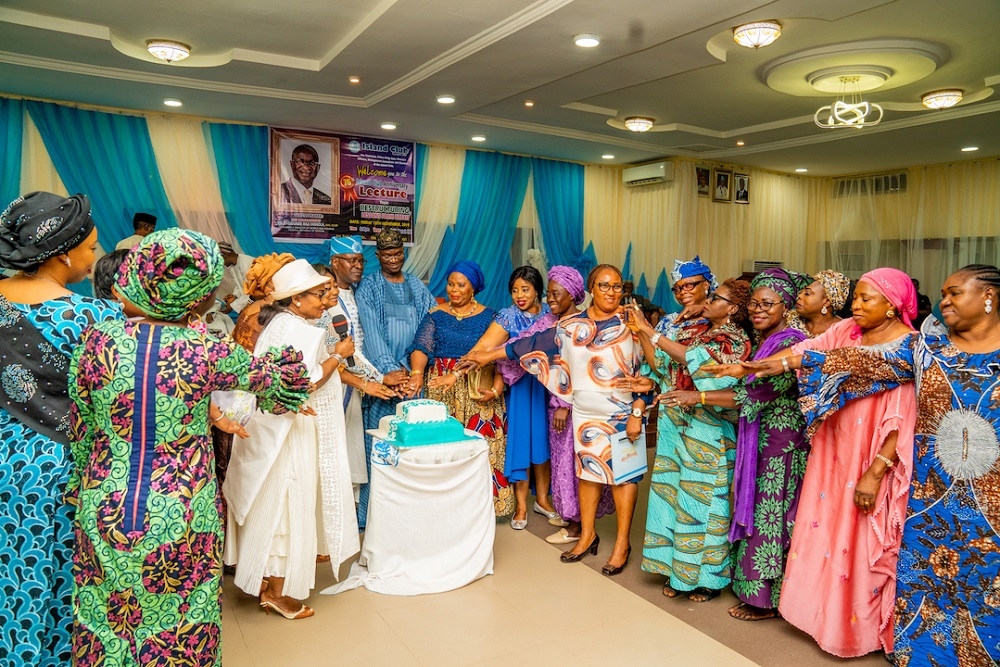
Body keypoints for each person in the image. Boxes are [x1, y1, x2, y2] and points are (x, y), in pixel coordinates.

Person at [68, 229, 311, 664]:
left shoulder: (98, 341)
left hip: (103, 502)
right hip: (182, 511)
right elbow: (281, 382)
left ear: (141, 275)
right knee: (181, 625)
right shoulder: (207, 349)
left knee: (107, 623)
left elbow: (82, 428)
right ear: (199, 293)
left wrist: (78, 489)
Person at [780, 264, 1000, 667]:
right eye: (943, 293)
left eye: (955, 293)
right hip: (933, 495)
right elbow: (861, 360)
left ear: (989, 297)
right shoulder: (927, 349)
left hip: (992, 503)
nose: (943, 302)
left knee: (989, 588)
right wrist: (776, 364)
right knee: (929, 582)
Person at [713, 267, 918, 658]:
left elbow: (902, 420)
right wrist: (752, 367)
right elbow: (803, 354)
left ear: (893, 306)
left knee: (859, 538)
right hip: (832, 450)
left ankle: (856, 627)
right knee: (825, 532)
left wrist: (875, 472)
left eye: (865, 299)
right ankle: (819, 614)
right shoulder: (845, 334)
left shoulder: (908, 348)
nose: (854, 306)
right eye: (854, 297)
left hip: (870, 453)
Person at [0, 192, 119, 665]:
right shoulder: (94, 318)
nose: (94, 257)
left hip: (6, 456)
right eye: (91, 249)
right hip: (63, 467)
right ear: (63, 252)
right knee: (62, 577)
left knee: (13, 573)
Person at [225, 259, 358, 620]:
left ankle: (267, 584)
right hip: (292, 430)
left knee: (273, 501)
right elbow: (307, 384)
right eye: (319, 293)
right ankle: (278, 593)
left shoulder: (279, 324)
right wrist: (337, 356)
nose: (325, 299)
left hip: (270, 427)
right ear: (296, 299)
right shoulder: (301, 330)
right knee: (289, 502)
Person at [507, 265, 651, 575]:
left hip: (623, 414)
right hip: (585, 414)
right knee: (587, 474)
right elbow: (532, 345)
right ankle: (587, 535)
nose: (611, 292)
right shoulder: (572, 325)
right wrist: (487, 355)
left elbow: (653, 368)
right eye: (604, 285)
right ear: (591, 289)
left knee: (623, 478)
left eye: (616, 287)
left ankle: (622, 544)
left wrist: (640, 409)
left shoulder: (632, 324)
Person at [462, 266, 617, 545]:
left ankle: (578, 526)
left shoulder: (578, 324)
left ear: (573, 294)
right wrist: (486, 365)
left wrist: (562, 404)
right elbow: (523, 346)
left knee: (576, 465)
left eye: (556, 294)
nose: (551, 299)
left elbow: (574, 368)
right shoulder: (549, 321)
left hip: (573, 407)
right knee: (562, 464)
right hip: (553, 403)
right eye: (549, 294)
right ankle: (574, 520)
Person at [635, 278, 751, 602]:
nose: (706, 301)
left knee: (706, 503)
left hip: (708, 425)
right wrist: (646, 337)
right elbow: (664, 366)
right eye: (677, 288)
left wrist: (650, 330)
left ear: (733, 308)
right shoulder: (682, 325)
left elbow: (698, 363)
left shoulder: (734, 339)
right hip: (677, 422)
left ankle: (707, 580)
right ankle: (678, 571)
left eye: (715, 296)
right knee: (673, 498)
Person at [712, 268, 811, 620]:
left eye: (767, 303)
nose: (758, 309)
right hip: (762, 437)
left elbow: (755, 391)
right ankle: (753, 588)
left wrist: (698, 396)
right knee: (757, 511)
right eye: (753, 303)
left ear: (785, 305)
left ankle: (766, 600)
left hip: (782, 445)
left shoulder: (791, 342)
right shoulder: (768, 338)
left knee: (772, 518)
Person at [405, 261, 513, 516]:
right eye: (451, 284)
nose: (454, 290)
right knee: (443, 448)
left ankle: (484, 508)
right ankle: (444, 508)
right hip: (443, 389)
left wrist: (496, 389)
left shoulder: (492, 317)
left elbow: (494, 356)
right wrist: (417, 373)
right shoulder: (435, 314)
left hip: (478, 389)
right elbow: (421, 347)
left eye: (461, 285)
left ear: (473, 288)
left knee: (481, 446)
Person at [355, 228, 435, 528]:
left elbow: (431, 323)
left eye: (398, 254)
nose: (394, 259)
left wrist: (415, 370)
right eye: (387, 255)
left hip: (415, 380)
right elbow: (371, 332)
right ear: (378, 256)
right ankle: (375, 517)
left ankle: (409, 515)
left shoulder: (415, 284)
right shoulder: (369, 287)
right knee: (381, 446)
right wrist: (391, 370)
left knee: (412, 448)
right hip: (387, 381)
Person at [463, 266, 553, 527]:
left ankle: (544, 500)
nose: (519, 295)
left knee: (544, 444)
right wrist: (461, 368)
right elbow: (485, 347)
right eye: (514, 290)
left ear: (538, 290)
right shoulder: (509, 316)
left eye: (525, 289)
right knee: (521, 444)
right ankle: (521, 506)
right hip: (521, 388)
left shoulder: (550, 314)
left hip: (547, 387)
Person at [327, 236, 406, 490]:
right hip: (342, 383)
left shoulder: (359, 292)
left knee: (357, 447)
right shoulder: (329, 300)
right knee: (340, 450)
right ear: (335, 262)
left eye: (361, 261)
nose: (358, 266)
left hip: (363, 383)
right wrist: (379, 378)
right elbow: (345, 350)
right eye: (351, 261)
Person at [786, 269, 851, 337]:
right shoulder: (790, 320)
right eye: (801, 292)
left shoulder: (843, 331)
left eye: (807, 293)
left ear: (826, 302)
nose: (799, 296)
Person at [216, 241, 255, 315]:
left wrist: (233, 306)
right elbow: (240, 285)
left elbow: (252, 292)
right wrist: (234, 296)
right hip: (249, 302)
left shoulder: (246, 265)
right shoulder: (233, 266)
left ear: (226, 255)